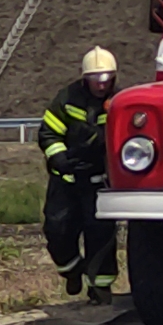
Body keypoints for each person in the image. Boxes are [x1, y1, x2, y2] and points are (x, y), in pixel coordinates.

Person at [40, 46, 122, 302]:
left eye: (106, 78)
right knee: (57, 231)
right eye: (96, 78)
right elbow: (48, 132)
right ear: (85, 77)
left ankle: (100, 287)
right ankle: (72, 271)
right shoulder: (67, 99)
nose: (101, 84)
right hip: (67, 180)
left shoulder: (121, 102)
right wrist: (59, 157)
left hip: (100, 182)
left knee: (101, 237)